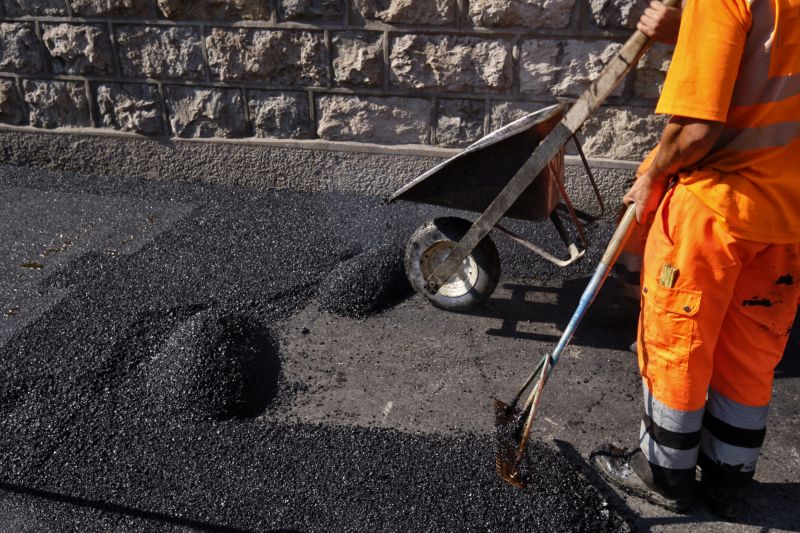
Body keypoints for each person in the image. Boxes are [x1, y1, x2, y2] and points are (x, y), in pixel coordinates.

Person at [591, 0, 800, 520]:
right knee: (750, 347)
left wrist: (650, 174)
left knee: (680, 342)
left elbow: (695, 132)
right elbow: (769, 60)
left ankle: (662, 473)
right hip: (788, 215)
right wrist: (686, 27)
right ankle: (730, 477)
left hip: (716, 209)